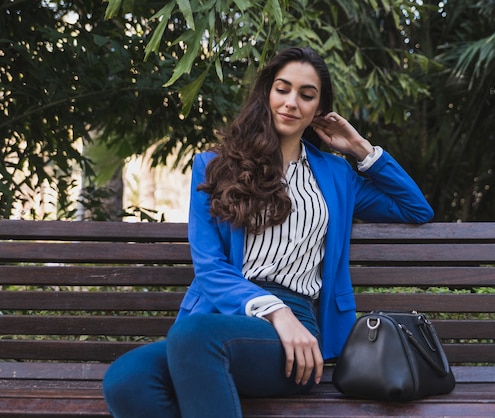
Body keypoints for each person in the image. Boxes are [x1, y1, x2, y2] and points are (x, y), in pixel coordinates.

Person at [102, 46, 434, 418]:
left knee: (195, 338)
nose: (292, 102)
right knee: (126, 379)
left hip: (297, 337)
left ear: (318, 110)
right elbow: (210, 268)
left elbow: (415, 208)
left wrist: (359, 148)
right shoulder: (214, 166)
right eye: (283, 89)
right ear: (267, 93)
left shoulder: (336, 175)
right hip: (226, 313)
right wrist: (275, 313)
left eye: (306, 95)